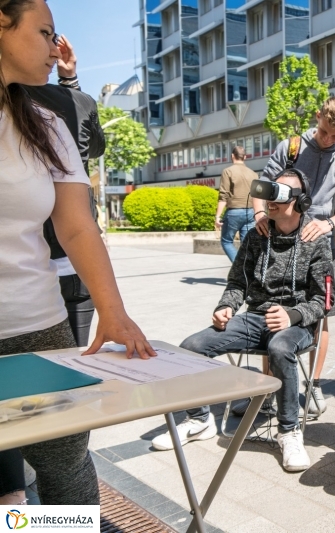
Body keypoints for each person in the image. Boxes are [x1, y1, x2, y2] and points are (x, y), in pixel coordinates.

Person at [0, 0, 154, 506]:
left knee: (66, 468)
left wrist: (113, 311)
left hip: (37, 326)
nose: (54, 47)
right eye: (44, 32)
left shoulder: (46, 122)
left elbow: (76, 226)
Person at [151, 170, 333, 472]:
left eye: (279, 194)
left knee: (280, 349)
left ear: (299, 201)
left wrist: (293, 315)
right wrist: (226, 306)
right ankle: (198, 419)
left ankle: (289, 431)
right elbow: (237, 283)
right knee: (191, 346)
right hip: (254, 317)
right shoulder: (256, 235)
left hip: (297, 324)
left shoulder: (315, 240)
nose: (269, 201)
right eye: (269, 192)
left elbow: (326, 300)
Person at [252, 95, 335, 418]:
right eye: (326, 131)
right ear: (318, 116)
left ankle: (313, 385)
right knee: (270, 310)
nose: (330, 140)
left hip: (321, 246)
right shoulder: (290, 148)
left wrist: (329, 223)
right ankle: (269, 387)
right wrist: (260, 215)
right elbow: (261, 185)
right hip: (280, 243)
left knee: (320, 315)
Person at [25, 34, 105, 348]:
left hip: (30, 260)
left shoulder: (15, 101)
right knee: (78, 356)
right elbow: (96, 147)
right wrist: (69, 81)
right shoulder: (79, 103)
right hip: (80, 254)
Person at [215, 145, 258, 262]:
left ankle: (239, 269)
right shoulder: (253, 173)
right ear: (245, 157)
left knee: (226, 241)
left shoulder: (228, 171)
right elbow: (257, 196)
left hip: (234, 212)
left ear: (232, 156)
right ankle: (247, 274)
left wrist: (218, 216)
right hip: (250, 212)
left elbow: (223, 195)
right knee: (246, 245)